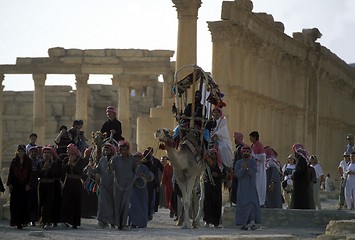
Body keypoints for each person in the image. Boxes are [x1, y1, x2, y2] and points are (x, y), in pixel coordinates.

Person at [85, 143, 116, 228]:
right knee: (102, 203)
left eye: (108, 150)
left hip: (113, 186)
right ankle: (102, 221)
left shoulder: (116, 159)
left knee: (112, 204)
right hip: (103, 185)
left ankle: (112, 221)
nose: (106, 152)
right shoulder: (102, 160)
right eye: (105, 150)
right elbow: (97, 170)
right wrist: (91, 169)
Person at [109, 140, 136, 230]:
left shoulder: (132, 159)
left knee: (125, 203)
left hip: (128, 185)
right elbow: (110, 169)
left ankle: (123, 223)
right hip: (117, 184)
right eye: (122, 149)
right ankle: (117, 223)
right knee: (117, 203)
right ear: (119, 150)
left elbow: (135, 170)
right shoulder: (115, 159)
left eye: (125, 149)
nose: (124, 151)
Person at [234, 145, 260, 230]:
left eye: (248, 152)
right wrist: (242, 169)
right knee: (242, 205)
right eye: (244, 152)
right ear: (242, 153)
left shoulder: (253, 162)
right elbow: (237, 174)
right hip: (242, 188)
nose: (246, 153)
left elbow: (253, 172)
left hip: (251, 188)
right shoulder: (238, 163)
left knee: (252, 204)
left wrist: (247, 169)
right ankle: (244, 224)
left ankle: (252, 223)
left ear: (250, 153)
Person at [6, 145, 32, 229]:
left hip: (24, 186)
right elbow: (11, 173)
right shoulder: (14, 161)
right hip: (15, 186)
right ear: (17, 152)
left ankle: (23, 221)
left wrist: (28, 184)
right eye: (19, 151)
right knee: (15, 204)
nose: (21, 153)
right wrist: (9, 184)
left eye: (22, 151)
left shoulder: (28, 161)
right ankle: (17, 222)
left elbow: (30, 174)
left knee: (24, 204)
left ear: (24, 152)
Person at [61, 143, 86, 229]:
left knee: (76, 202)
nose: (68, 152)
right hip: (67, 182)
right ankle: (65, 220)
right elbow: (63, 170)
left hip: (76, 183)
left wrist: (73, 165)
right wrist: (69, 163)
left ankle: (75, 222)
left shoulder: (81, 160)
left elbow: (80, 171)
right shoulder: (65, 159)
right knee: (66, 201)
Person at [37, 146, 62, 229]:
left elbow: (57, 174)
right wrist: (44, 168)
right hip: (42, 185)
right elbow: (37, 174)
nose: (46, 154)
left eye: (48, 153)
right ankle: (42, 220)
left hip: (51, 186)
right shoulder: (40, 163)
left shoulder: (54, 163)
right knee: (42, 203)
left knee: (48, 204)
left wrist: (50, 168)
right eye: (45, 153)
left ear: (51, 154)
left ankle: (45, 221)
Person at [128, 152, 154, 228]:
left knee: (142, 205)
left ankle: (141, 223)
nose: (137, 159)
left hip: (142, 190)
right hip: (133, 189)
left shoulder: (144, 168)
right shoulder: (131, 167)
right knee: (133, 205)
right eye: (135, 157)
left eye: (138, 157)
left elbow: (150, 177)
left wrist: (143, 175)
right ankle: (132, 222)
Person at [203, 148, 224, 228]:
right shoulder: (206, 164)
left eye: (214, 154)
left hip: (217, 187)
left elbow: (224, 175)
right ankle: (207, 221)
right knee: (208, 203)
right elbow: (203, 173)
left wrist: (218, 175)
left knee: (217, 203)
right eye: (211, 154)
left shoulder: (220, 165)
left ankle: (216, 223)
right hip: (208, 186)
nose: (212, 155)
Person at [290, 143, 311, 209]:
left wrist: (293, 175)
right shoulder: (302, 159)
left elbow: (299, 171)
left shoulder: (301, 159)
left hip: (300, 184)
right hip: (302, 184)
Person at [249, 131, 266, 207]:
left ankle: (259, 202)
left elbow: (262, 157)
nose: (250, 139)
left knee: (259, 185)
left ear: (255, 137)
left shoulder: (259, 145)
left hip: (259, 169)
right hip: (253, 168)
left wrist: (254, 155)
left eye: (251, 137)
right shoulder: (253, 145)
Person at [142, 148, 159, 221]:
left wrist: (157, 185)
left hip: (150, 186)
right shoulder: (141, 166)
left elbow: (155, 177)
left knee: (149, 200)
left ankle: (148, 214)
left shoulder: (153, 166)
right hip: (141, 186)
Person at [27, 146, 42, 226]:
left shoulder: (39, 162)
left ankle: (35, 219)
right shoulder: (27, 162)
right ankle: (29, 219)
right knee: (29, 202)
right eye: (32, 152)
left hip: (36, 183)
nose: (34, 153)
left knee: (36, 202)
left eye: (35, 152)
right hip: (28, 185)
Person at [230, 132, 245, 206]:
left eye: (235, 138)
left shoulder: (240, 148)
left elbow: (239, 161)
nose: (234, 140)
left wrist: (236, 171)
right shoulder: (238, 148)